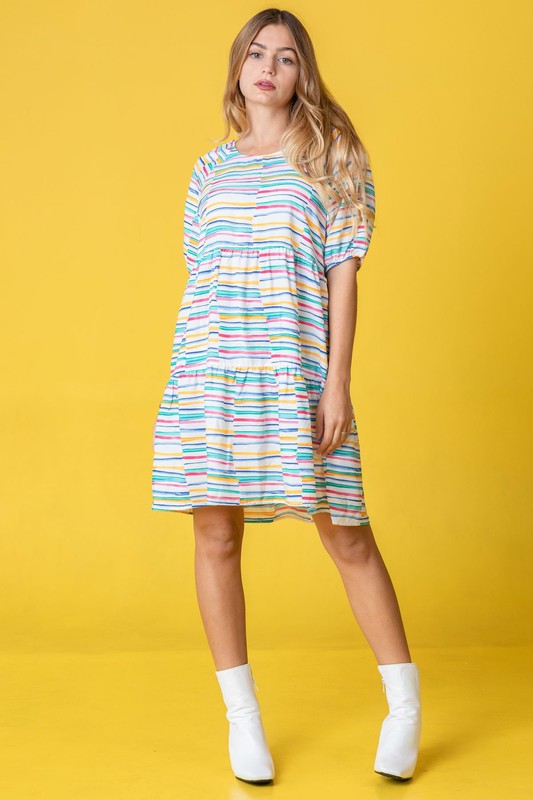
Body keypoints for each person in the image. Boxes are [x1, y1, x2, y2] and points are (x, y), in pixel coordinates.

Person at [151, 7, 421, 786]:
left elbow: (342, 272)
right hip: (212, 370)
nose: (269, 67)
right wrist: (191, 378)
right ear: (238, 68)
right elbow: (202, 276)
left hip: (297, 373)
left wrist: (336, 380)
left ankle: (402, 706)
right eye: (257, 54)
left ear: (304, 75)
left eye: (288, 57)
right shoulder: (208, 169)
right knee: (215, 537)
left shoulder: (333, 155)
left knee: (346, 534)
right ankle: (243, 720)